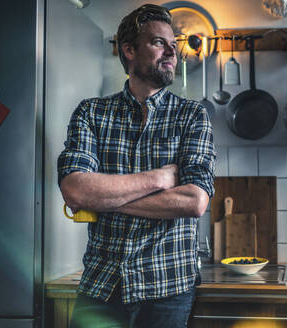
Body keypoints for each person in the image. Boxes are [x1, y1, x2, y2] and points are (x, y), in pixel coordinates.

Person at [57, 4, 215, 328]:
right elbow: (74, 189)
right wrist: (158, 178)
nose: (172, 51)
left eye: (174, 43)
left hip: (167, 290)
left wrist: (104, 199)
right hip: (101, 286)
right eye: (159, 42)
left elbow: (195, 201)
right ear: (128, 50)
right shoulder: (91, 113)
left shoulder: (192, 116)